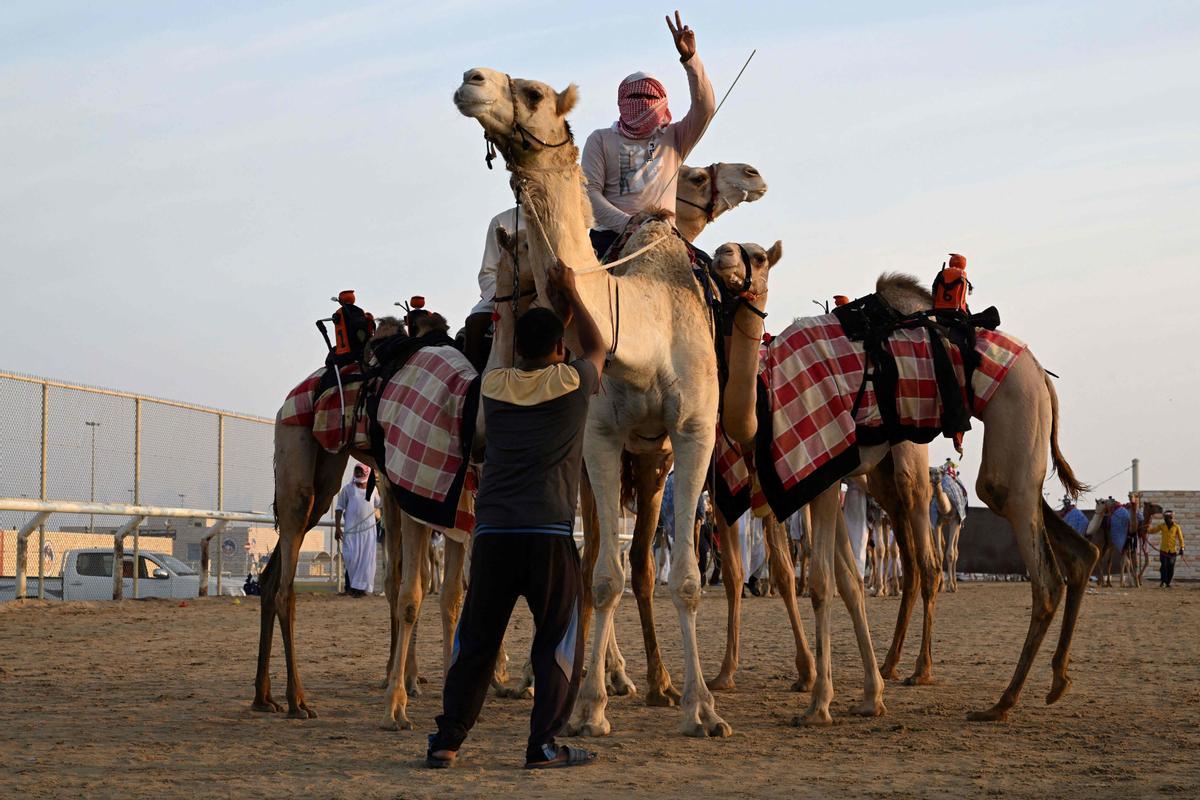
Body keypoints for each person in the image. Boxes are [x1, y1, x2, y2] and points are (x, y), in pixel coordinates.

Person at [426, 258, 605, 770]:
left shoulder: (493, 387)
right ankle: (544, 745)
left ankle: (447, 741)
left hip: (494, 535)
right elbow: (599, 347)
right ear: (558, 350)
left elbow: (513, 353)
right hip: (548, 536)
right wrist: (573, 293)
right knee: (556, 641)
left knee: (477, 642)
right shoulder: (572, 385)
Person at [581, 11, 715, 259]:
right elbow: (589, 194)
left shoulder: (675, 138)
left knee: (711, 284)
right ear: (621, 101)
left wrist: (690, 59)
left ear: (662, 102)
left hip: (663, 237)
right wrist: (629, 224)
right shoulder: (600, 140)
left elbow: (705, 108)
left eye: (650, 98)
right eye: (635, 97)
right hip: (610, 237)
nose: (643, 103)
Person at [462, 207, 524, 372]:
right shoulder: (502, 221)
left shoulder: (560, 217)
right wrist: (503, 296)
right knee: (474, 322)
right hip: (507, 293)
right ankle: (474, 386)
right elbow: (488, 272)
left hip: (550, 289)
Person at [334, 463, 381, 597]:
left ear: (366, 472)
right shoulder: (348, 489)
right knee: (351, 558)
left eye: (361, 471)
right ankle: (353, 587)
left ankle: (359, 590)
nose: (359, 474)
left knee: (366, 561)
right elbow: (339, 508)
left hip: (368, 533)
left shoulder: (373, 490)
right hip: (351, 532)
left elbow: (379, 503)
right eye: (357, 471)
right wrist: (337, 528)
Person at [1146, 510, 1185, 588]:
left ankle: (1168, 583)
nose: (1165, 519)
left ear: (1171, 518)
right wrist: (1147, 527)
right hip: (1163, 551)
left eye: (1167, 518)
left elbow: (1181, 538)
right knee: (1164, 566)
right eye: (1165, 517)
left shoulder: (1176, 527)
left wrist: (1182, 548)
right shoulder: (1162, 526)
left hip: (1173, 551)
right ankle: (1163, 582)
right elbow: (1152, 531)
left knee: (1171, 567)